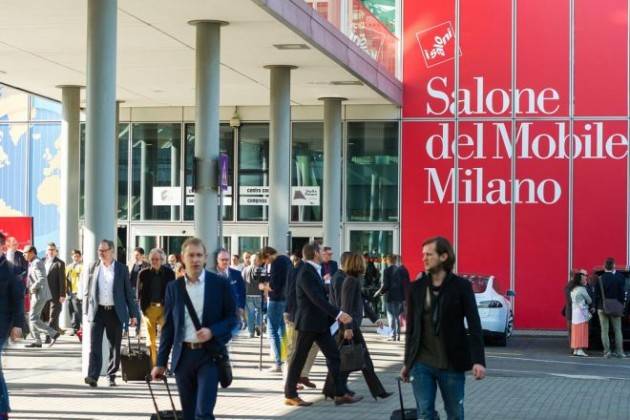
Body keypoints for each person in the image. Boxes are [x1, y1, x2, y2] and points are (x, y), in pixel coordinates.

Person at [151, 237, 237, 420]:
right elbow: (168, 328)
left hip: (210, 355)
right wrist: (160, 362)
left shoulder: (220, 284)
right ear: (183, 258)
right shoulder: (173, 288)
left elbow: (233, 319)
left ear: (205, 258)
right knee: (189, 414)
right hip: (183, 358)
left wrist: (212, 331)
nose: (195, 259)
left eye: (199, 255)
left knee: (203, 413)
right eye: (191, 255)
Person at [401, 236, 486, 420]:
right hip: (421, 364)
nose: (424, 258)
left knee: (455, 414)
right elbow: (412, 329)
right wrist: (407, 363)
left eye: (429, 254)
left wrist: (478, 360)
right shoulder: (416, 288)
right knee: (425, 413)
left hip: (452, 364)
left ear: (444, 257)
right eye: (423, 254)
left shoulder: (461, 287)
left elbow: (474, 325)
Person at [284, 242, 359, 407]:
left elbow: (321, 292)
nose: (324, 253)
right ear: (315, 253)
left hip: (319, 323)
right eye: (321, 250)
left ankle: (339, 393)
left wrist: (330, 287)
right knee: (298, 359)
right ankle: (290, 394)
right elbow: (315, 298)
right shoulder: (305, 271)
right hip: (308, 324)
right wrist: (339, 314)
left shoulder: (312, 270)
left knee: (334, 356)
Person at [323, 252, 391, 400]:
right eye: (362, 262)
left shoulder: (352, 280)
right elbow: (345, 306)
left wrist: (374, 318)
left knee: (353, 358)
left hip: (349, 325)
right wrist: (347, 328)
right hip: (348, 326)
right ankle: (376, 391)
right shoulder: (349, 281)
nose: (365, 265)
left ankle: (332, 389)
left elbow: (360, 302)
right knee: (351, 358)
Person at [83, 239, 139, 387]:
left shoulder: (121, 269)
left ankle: (111, 375)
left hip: (115, 312)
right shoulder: (93, 267)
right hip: (97, 311)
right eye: (99, 250)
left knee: (114, 345)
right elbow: (87, 292)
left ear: (112, 251)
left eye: (104, 250)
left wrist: (134, 315)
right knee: (94, 345)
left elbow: (128, 294)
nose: (100, 253)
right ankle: (93, 376)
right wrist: (85, 313)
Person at [284, 252, 319, 390]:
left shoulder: (311, 269)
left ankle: (302, 374)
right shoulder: (298, 270)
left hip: (307, 316)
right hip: (295, 315)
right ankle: (290, 379)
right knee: (292, 348)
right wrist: (288, 312)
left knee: (313, 345)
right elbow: (290, 292)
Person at [0, 232, 25, 419]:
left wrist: (18, 324)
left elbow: (18, 299)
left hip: (2, 324)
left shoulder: (10, 269)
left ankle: (2, 409)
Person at [137, 248, 175, 366]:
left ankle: (163, 365)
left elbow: (173, 292)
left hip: (164, 310)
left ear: (162, 260)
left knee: (166, 339)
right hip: (149, 309)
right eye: (152, 259)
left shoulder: (169, 273)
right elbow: (139, 293)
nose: (154, 261)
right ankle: (154, 366)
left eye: (157, 259)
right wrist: (142, 309)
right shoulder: (143, 273)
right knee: (151, 341)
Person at [259, 247, 291, 373]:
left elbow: (273, 286)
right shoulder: (286, 260)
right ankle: (285, 358)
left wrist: (263, 286)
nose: (266, 263)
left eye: (265, 260)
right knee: (282, 330)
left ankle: (278, 362)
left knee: (272, 330)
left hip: (276, 300)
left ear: (268, 255)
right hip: (285, 298)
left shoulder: (276, 263)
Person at [23, 245, 60, 348]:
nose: (24, 255)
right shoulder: (33, 263)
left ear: (32, 253)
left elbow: (42, 278)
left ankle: (53, 333)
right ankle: (37, 340)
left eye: (25, 253)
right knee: (33, 317)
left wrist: (33, 287)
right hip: (36, 294)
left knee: (33, 318)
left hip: (39, 294)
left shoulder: (37, 262)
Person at [594, 257, 627, 358]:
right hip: (616, 306)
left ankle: (607, 352)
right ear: (613, 266)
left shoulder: (600, 278)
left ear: (604, 267)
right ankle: (620, 352)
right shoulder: (619, 277)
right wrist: (622, 305)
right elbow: (622, 293)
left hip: (602, 306)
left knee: (604, 330)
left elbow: (596, 294)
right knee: (617, 330)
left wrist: (595, 307)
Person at [215, 249, 246, 332]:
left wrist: (241, 307)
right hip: (216, 311)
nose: (225, 262)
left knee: (230, 335)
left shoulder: (236, 274)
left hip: (233, 311)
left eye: (227, 260)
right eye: (222, 260)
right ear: (217, 260)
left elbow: (241, 291)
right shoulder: (211, 274)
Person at [376, 254, 405, 341]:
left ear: (388, 260)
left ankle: (393, 335)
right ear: (395, 260)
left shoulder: (386, 270)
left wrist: (381, 292)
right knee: (397, 316)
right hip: (400, 296)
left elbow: (386, 285)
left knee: (391, 316)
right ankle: (398, 335)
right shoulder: (401, 270)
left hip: (390, 296)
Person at [41, 242, 66, 336]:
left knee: (53, 315)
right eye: (49, 250)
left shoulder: (60, 263)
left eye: (52, 250)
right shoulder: (42, 261)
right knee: (45, 316)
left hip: (55, 295)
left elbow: (62, 280)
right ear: (46, 251)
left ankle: (49, 335)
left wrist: (62, 294)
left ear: (56, 251)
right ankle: (52, 332)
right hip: (43, 294)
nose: (51, 251)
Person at [569, 269, 592, 357]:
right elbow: (589, 300)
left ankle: (575, 349)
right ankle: (580, 349)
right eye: (583, 278)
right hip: (582, 312)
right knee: (582, 330)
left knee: (575, 330)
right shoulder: (582, 289)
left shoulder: (573, 289)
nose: (584, 280)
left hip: (575, 311)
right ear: (580, 280)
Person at [243, 253, 262, 338]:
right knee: (259, 311)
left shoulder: (245, 269)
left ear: (250, 260)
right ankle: (258, 325)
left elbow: (242, 282)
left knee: (250, 314)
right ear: (257, 261)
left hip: (248, 294)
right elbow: (264, 282)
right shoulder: (260, 269)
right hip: (258, 294)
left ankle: (251, 332)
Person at [65, 249, 83, 336]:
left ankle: (81, 327)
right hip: (69, 291)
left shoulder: (81, 266)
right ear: (72, 257)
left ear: (80, 257)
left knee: (78, 310)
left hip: (77, 291)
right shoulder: (68, 266)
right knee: (71, 310)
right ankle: (74, 328)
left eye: (77, 256)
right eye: (74, 256)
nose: (76, 258)